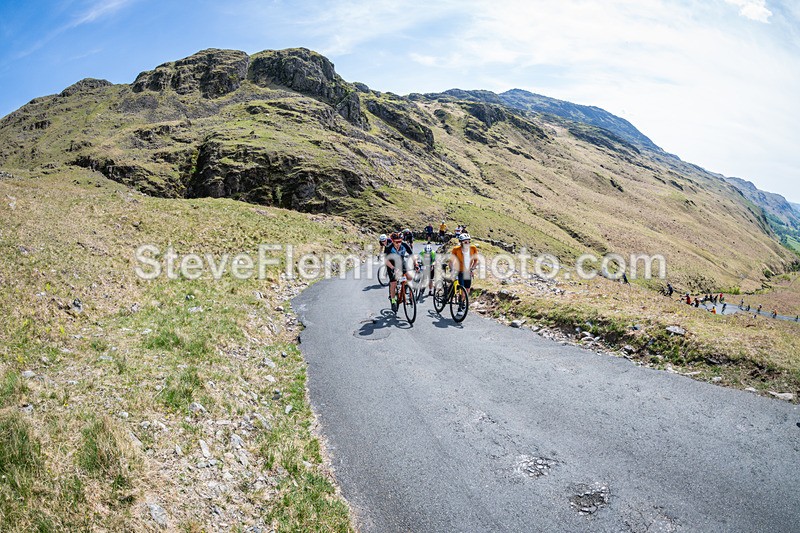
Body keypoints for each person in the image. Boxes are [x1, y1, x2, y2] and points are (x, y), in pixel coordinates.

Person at [384, 232, 416, 312]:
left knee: (409, 277)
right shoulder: (389, 247)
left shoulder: (404, 245)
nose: (399, 243)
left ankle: (409, 294)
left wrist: (416, 264)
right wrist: (393, 268)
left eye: (400, 241)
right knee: (394, 282)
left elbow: (412, 255)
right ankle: (393, 300)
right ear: (392, 241)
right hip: (391, 264)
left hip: (401, 262)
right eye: (396, 242)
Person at [449, 233, 478, 300]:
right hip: (459, 270)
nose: (467, 243)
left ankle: (463, 300)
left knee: (467, 288)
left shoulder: (473, 248)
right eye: (465, 242)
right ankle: (460, 302)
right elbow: (451, 262)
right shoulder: (456, 249)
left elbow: (476, 261)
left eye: (468, 241)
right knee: (462, 287)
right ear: (461, 242)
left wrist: (472, 269)